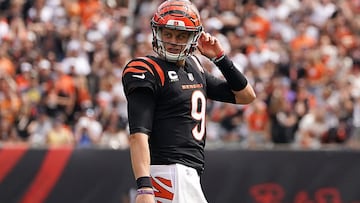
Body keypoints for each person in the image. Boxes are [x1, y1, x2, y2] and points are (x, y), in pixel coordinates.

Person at [121, 1, 256, 203]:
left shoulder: (194, 67)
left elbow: (245, 95)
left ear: (193, 37)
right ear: (157, 33)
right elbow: (138, 135)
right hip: (167, 173)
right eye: (168, 34)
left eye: (181, 35)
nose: (173, 41)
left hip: (187, 174)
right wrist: (144, 187)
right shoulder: (146, 69)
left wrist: (220, 58)